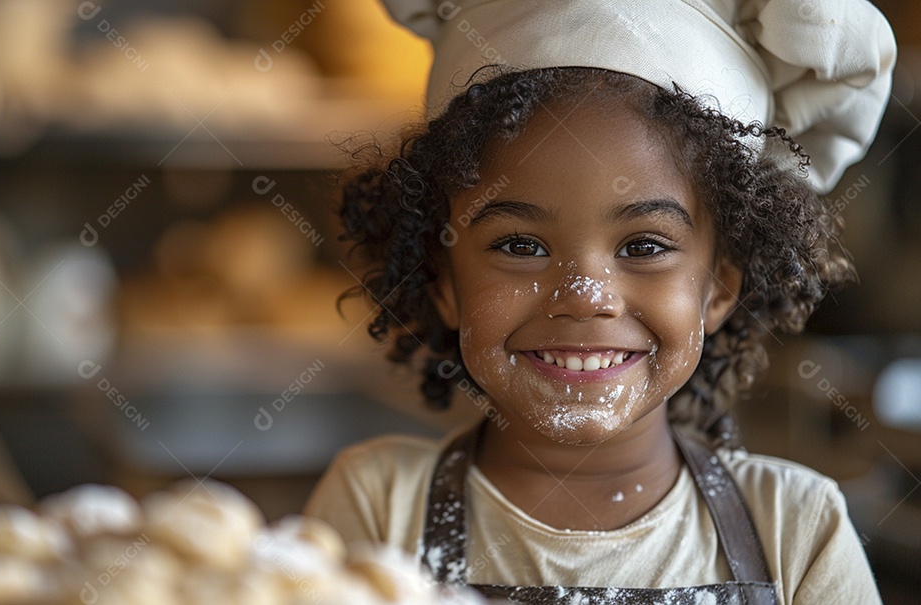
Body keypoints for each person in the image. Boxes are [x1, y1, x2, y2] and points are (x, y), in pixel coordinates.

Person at [305, 2, 895, 604]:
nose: (585, 298)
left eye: (643, 246)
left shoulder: (795, 529)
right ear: (443, 281)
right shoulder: (378, 506)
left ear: (719, 286)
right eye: (520, 245)